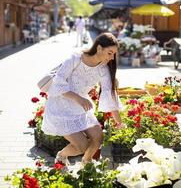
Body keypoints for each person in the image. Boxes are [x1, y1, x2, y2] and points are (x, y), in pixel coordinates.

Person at [41, 32, 123, 166]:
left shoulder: (103, 69)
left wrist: (120, 123)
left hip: (80, 106)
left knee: (98, 138)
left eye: (114, 54)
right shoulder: (75, 59)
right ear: (99, 48)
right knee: (81, 146)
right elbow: (58, 82)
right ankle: (61, 156)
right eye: (110, 53)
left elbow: (109, 95)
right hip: (60, 107)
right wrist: (78, 98)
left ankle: (86, 163)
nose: (112, 57)